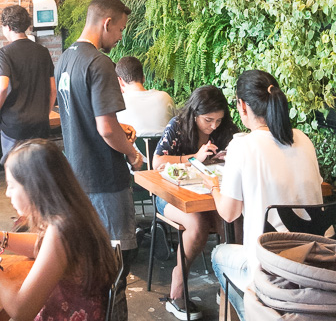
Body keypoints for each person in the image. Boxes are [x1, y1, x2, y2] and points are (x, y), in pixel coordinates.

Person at [200, 70, 323, 321]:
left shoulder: (242, 146)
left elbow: (229, 212)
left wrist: (214, 186)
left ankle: (257, 313)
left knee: (218, 255)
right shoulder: (303, 139)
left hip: (269, 271)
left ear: (242, 106)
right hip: (314, 264)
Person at [0, 138, 117, 321]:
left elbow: (20, 310)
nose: (7, 193)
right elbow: (41, 246)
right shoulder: (72, 216)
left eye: (12, 186)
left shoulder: (61, 231)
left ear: (34, 187)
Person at [55, 0, 142, 321]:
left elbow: (82, 118)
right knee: (116, 269)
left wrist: (121, 130)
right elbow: (105, 129)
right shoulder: (99, 62)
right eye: (119, 29)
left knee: (91, 268)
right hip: (106, 180)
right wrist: (132, 153)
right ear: (106, 23)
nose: (120, 36)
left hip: (77, 177)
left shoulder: (64, 60)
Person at [152, 85, 239, 321]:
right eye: (208, 120)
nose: (213, 126)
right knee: (198, 226)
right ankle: (176, 291)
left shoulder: (226, 130)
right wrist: (194, 158)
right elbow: (157, 162)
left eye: (218, 120)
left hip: (208, 196)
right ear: (194, 113)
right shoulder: (178, 126)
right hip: (170, 196)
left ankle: (229, 287)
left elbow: (238, 158)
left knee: (231, 221)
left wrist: (228, 157)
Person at [0, 5, 56, 164]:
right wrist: (45, 113)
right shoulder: (42, 51)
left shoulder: (4, 53)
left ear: (7, 27)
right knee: (40, 171)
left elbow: (2, 88)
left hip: (15, 126)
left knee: (15, 170)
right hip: (40, 124)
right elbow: (52, 89)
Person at [115, 55, 175, 136]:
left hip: (131, 148)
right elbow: (176, 126)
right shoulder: (165, 98)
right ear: (143, 77)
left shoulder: (118, 103)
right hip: (164, 148)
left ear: (120, 81)